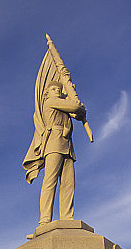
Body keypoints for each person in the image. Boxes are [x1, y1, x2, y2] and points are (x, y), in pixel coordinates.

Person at [23, 80, 87, 226]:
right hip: (54, 143)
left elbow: (76, 114)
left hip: (68, 145)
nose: (56, 91)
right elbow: (75, 107)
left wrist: (76, 105)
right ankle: (45, 219)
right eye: (53, 89)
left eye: (58, 89)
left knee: (68, 183)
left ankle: (67, 216)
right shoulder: (50, 102)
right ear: (47, 93)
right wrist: (76, 103)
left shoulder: (62, 105)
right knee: (50, 181)